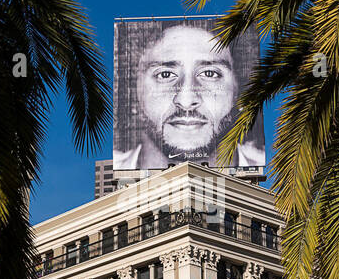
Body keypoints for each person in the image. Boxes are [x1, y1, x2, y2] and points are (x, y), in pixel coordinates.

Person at [113, 24, 264, 170]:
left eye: (209, 73)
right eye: (165, 74)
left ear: (238, 91)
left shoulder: (273, 179)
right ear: (134, 91)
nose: (186, 101)